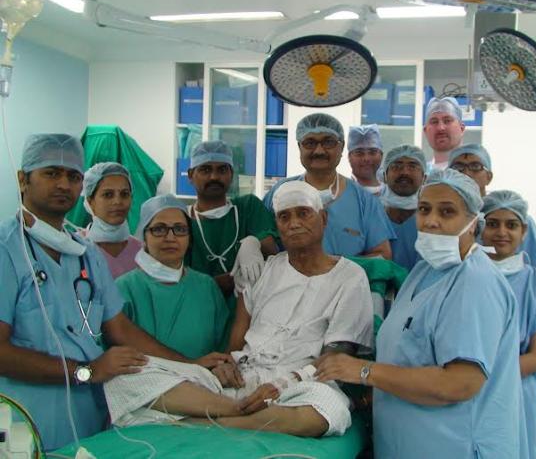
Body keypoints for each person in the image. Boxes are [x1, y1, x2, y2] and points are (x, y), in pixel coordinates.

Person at [0, 134, 231, 450]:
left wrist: (189, 366)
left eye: (73, 176)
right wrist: (86, 371)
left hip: (90, 418)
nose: (63, 184)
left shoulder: (86, 254)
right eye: (51, 173)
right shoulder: (7, 250)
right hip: (24, 420)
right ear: (22, 179)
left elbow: (120, 328)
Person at [103, 181, 374, 438]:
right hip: (242, 379)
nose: (294, 223)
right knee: (125, 379)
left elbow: (336, 357)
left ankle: (204, 424)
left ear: (323, 218)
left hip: (303, 382)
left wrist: (284, 384)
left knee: (326, 411)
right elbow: (236, 338)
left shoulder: (350, 277)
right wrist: (226, 366)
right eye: (284, 217)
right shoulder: (261, 269)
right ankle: (236, 411)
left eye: (303, 213)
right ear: (277, 225)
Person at [316, 169, 528, 459]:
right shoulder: (424, 271)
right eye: (425, 209)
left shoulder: (475, 283)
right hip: (408, 442)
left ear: (472, 222)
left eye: (447, 211)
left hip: (455, 445)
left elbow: (459, 383)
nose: (431, 220)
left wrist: (364, 371)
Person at [481, 190, 536, 459]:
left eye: (511, 225)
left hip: (516, 390)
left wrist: (472, 376)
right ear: (479, 227)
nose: (501, 232)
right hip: (468, 393)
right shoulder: (466, 276)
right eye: (492, 223)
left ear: (524, 231)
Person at [264, 113, 395, 259]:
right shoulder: (280, 193)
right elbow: (261, 237)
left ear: (342, 147)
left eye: (328, 142)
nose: (319, 151)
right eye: (310, 143)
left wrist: (338, 268)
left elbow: (382, 254)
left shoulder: (364, 201)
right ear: (299, 147)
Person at [184, 140, 278, 338]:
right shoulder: (180, 221)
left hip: (251, 322)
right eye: (205, 170)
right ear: (191, 175)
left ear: (231, 174)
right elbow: (181, 285)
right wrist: (229, 280)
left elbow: (271, 250)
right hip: (196, 319)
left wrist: (252, 242)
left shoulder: (248, 207)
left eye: (222, 169)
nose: (214, 176)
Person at [117, 194, 229, 359]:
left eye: (180, 229)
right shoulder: (124, 289)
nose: (170, 238)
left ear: (189, 238)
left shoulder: (206, 287)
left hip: (204, 374)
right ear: (143, 236)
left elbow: (223, 348)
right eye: (159, 229)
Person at [448, 143, 536, 269]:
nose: (466, 173)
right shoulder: (442, 220)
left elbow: (533, 272)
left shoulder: (518, 220)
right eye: (458, 167)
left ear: (489, 177)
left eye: (475, 166)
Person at [81, 162, 141, 279]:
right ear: (90, 201)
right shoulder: (76, 247)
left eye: (124, 194)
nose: (117, 201)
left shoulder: (142, 252)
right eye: (108, 195)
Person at [380, 144, 427, 271]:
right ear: (384, 176)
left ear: (424, 178)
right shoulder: (370, 216)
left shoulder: (432, 221)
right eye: (397, 166)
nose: (405, 172)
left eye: (412, 166)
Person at [423, 97, 465, 171]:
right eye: (434, 122)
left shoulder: (474, 172)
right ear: (425, 131)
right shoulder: (421, 174)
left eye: (447, 121)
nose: (440, 127)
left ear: (461, 129)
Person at [347, 124, 384, 195]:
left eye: (372, 152)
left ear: (381, 155)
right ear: (349, 157)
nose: (366, 159)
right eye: (359, 153)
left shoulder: (394, 194)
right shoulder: (340, 194)